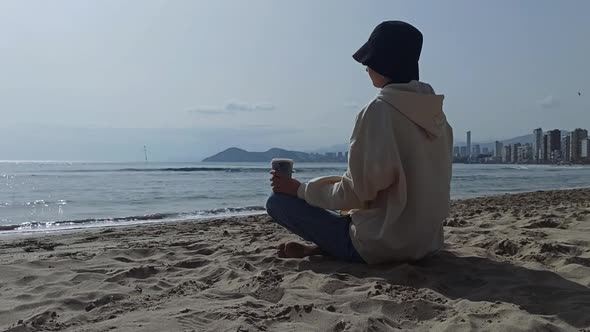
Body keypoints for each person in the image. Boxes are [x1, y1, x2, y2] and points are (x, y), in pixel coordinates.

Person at [266, 21, 453, 264]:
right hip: (427, 243)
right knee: (351, 212)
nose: (365, 67)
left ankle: (329, 247)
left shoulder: (379, 111)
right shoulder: (438, 117)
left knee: (278, 203)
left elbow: (356, 193)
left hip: (383, 245)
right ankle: (322, 247)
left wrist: (299, 189)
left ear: (383, 62)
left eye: (369, 61)